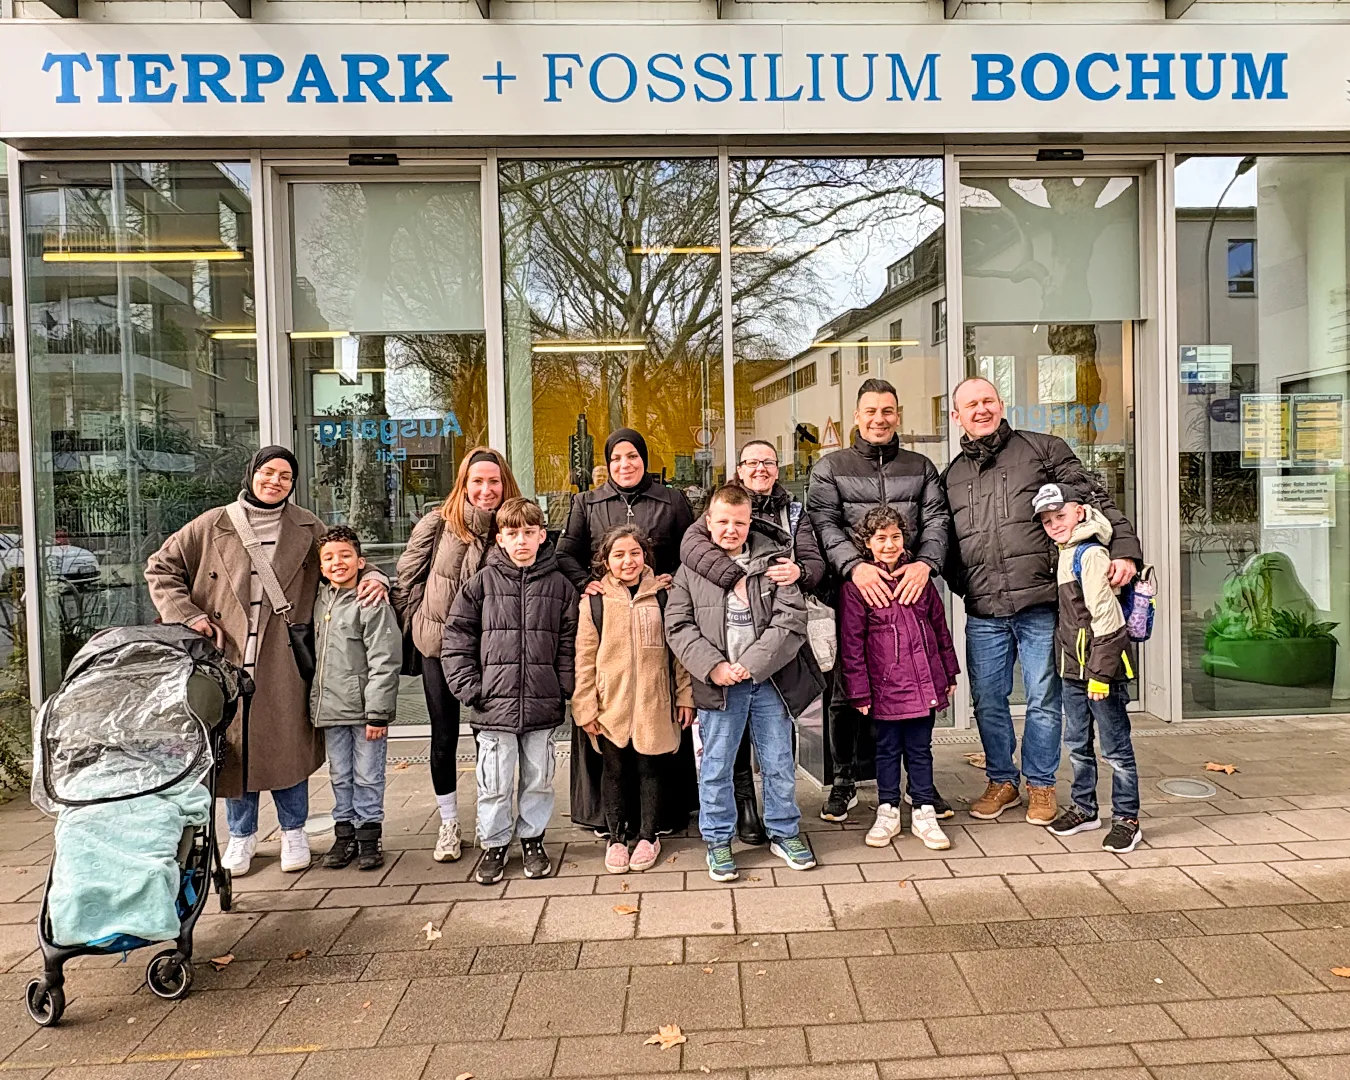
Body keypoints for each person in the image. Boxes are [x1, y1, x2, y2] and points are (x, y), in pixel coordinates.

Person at [146, 446, 388, 876]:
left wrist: (376, 577)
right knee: (236, 748)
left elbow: (343, 559)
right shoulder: (213, 523)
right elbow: (160, 568)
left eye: (285, 476)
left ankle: (294, 831)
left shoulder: (307, 526)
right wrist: (190, 615)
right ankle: (242, 835)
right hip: (228, 655)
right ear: (252, 473)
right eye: (268, 472)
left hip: (283, 657)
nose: (275, 481)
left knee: (286, 745)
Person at [943, 377, 1141, 826]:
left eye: (988, 401)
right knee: (988, 701)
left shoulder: (1043, 449)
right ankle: (1001, 781)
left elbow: (1094, 498)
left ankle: (1040, 784)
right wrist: (968, 582)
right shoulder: (952, 476)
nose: (981, 410)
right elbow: (948, 542)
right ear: (956, 416)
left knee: (1043, 697)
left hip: (1039, 604)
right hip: (984, 610)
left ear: (1001, 404)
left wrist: (1125, 549)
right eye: (971, 405)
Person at [805, 378, 952, 823]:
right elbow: (823, 523)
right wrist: (855, 566)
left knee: (914, 680)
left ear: (897, 414)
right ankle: (844, 778)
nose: (879, 419)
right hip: (852, 590)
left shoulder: (921, 466)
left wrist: (926, 564)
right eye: (870, 411)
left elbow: (937, 519)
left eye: (887, 411)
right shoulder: (830, 467)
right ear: (856, 416)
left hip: (909, 587)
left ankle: (919, 783)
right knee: (845, 690)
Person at [665, 483, 824, 883]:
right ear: (708, 521)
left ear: (750, 521)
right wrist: (714, 666)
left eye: (739, 522)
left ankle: (784, 832)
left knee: (778, 763)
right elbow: (678, 625)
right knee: (716, 766)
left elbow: (791, 620)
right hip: (718, 686)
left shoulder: (775, 563)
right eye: (722, 522)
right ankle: (718, 839)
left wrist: (752, 665)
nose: (730, 530)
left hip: (770, 682)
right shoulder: (690, 571)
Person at [556, 427, 696, 835]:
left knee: (659, 719)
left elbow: (692, 550)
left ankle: (662, 818)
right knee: (609, 730)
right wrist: (587, 583)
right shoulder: (586, 502)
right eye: (616, 458)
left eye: (632, 456)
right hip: (609, 621)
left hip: (658, 614)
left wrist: (675, 582)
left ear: (644, 459)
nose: (625, 464)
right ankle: (609, 820)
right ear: (606, 463)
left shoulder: (671, 500)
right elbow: (565, 554)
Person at [393, 447, 521, 865]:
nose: (486, 489)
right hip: (439, 646)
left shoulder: (513, 526)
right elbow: (406, 578)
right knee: (444, 736)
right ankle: (448, 822)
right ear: (464, 484)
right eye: (477, 481)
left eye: (493, 481)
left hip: (494, 650)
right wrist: (417, 623)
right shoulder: (438, 524)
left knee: (490, 740)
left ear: (504, 483)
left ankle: (491, 819)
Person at [441, 497, 578, 885]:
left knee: (539, 779)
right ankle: (495, 843)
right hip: (493, 706)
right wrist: (470, 687)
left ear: (542, 536)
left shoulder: (560, 587)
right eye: (512, 533)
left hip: (542, 704)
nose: (521, 541)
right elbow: (457, 638)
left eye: (529, 533)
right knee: (495, 783)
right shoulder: (481, 584)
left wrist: (562, 687)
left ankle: (533, 839)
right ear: (499, 538)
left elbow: (569, 644)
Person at [572, 525, 695, 874]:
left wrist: (685, 695)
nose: (628, 561)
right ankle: (615, 838)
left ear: (646, 556)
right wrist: (585, 706)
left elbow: (678, 653)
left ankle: (648, 836)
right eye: (619, 555)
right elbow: (584, 658)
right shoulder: (594, 603)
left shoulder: (664, 596)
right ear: (605, 561)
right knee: (614, 771)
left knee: (650, 770)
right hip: (610, 704)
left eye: (635, 553)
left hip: (654, 702)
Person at [839, 507, 960, 851]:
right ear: (867, 543)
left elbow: (940, 627)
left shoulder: (919, 580)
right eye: (881, 538)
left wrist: (949, 671)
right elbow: (851, 644)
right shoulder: (856, 589)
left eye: (896, 537)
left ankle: (924, 810)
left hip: (924, 683)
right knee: (887, 750)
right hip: (885, 687)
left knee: (921, 750)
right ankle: (887, 809)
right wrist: (859, 691)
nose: (889, 545)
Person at [1033, 483, 1143, 854]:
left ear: (1080, 512)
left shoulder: (1090, 553)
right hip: (1073, 670)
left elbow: (1108, 620)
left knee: (1115, 749)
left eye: (1060, 515)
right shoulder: (1065, 552)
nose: (1054, 524)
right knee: (1078, 744)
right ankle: (1085, 808)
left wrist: (1100, 675)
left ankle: (1127, 818)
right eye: (1047, 520)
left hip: (1100, 672)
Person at [310, 526, 402, 872]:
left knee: (368, 775)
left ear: (361, 562)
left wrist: (378, 712)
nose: (338, 563)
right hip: (332, 708)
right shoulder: (319, 600)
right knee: (340, 775)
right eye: (329, 558)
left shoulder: (370, 602)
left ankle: (368, 836)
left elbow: (385, 658)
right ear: (321, 568)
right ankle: (344, 833)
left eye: (346, 555)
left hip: (365, 711)